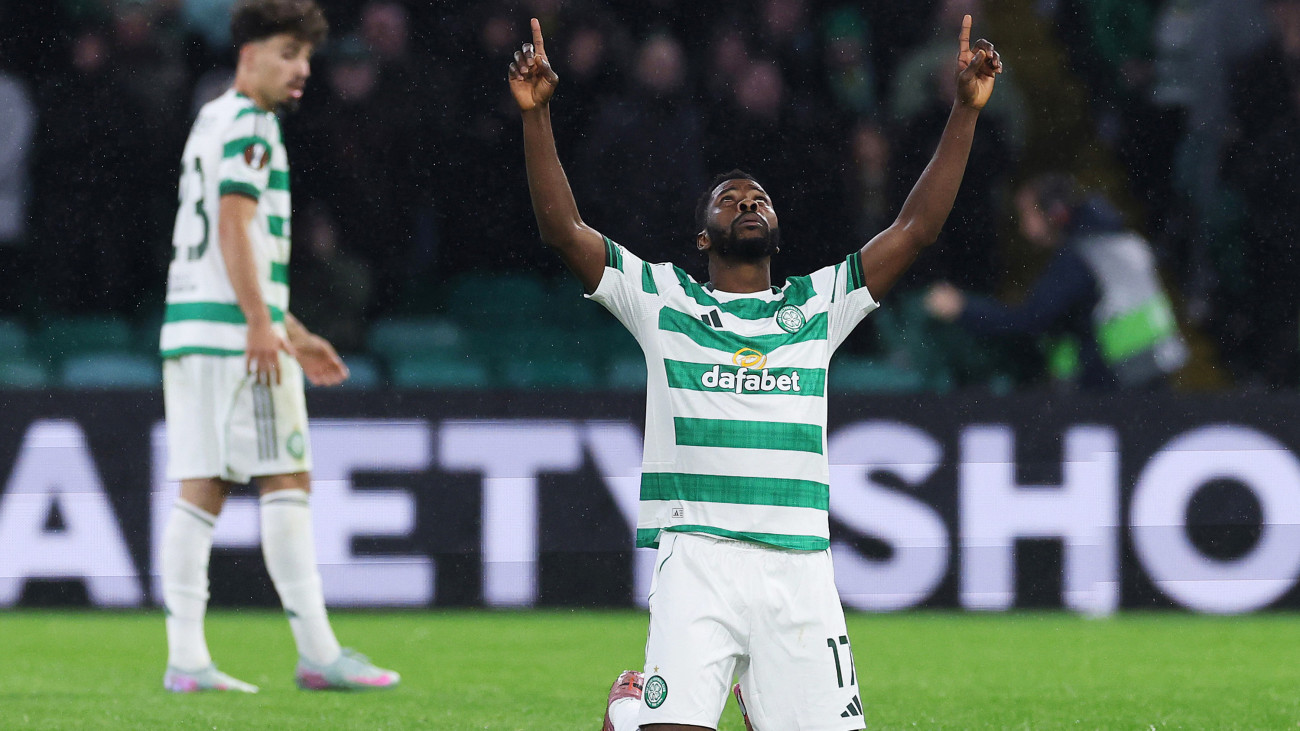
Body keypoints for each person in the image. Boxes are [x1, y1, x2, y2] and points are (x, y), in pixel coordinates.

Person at [508, 16, 1001, 731]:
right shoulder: (664, 300)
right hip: (699, 557)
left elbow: (915, 229)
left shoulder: (816, 305)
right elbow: (564, 231)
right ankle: (631, 709)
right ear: (703, 236)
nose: (748, 202)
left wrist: (963, 109)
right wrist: (538, 116)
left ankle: (752, 697)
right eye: (731, 198)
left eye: (759, 198)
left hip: (799, 568)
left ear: (777, 229)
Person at [158, 0, 399, 693]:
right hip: (236, 335)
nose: (302, 71)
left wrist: (291, 329)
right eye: (289, 53)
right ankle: (318, 653)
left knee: (202, 489)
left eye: (307, 59)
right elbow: (235, 227)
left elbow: (236, 243)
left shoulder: (211, 116)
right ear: (250, 52)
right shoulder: (255, 127)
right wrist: (265, 325)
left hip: (194, 326)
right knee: (286, 479)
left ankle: (186, 660)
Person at [924, 174, 1187, 389]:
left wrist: (964, 309)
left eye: (1028, 214)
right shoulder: (1119, 240)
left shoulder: (1079, 258)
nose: (1023, 228)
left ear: (1053, 214)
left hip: (1116, 382)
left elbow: (1030, 319)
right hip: (1149, 370)